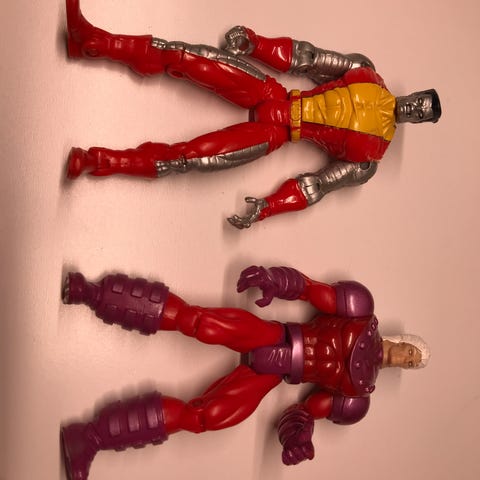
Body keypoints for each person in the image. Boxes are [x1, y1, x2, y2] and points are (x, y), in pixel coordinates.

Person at [65, 0, 441, 229]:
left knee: (186, 159)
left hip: (274, 135)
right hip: (271, 92)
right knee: (182, 55)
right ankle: (93, 42)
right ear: (415, 94)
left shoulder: (369, 159)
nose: (414, 107)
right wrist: (256, 44)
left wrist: (268, 208)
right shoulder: (365, 72)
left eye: (420, 113)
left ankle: (98, 162)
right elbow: (306, 58)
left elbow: (315, 186)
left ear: (418, 122)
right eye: (419, 100)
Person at [61, 265, 430, 479]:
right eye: (412, 353)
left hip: (270, 378)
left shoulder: (357, 398)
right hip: (273, 334)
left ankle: (91, 436)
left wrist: (297, 437)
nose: (408, 360)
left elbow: (304, 411)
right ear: (405, 341)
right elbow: (309, 290)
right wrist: (274, 280)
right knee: (196, 320)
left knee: (204, 418)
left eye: (413, 364)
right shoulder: (361, 309)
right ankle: (91, 292)